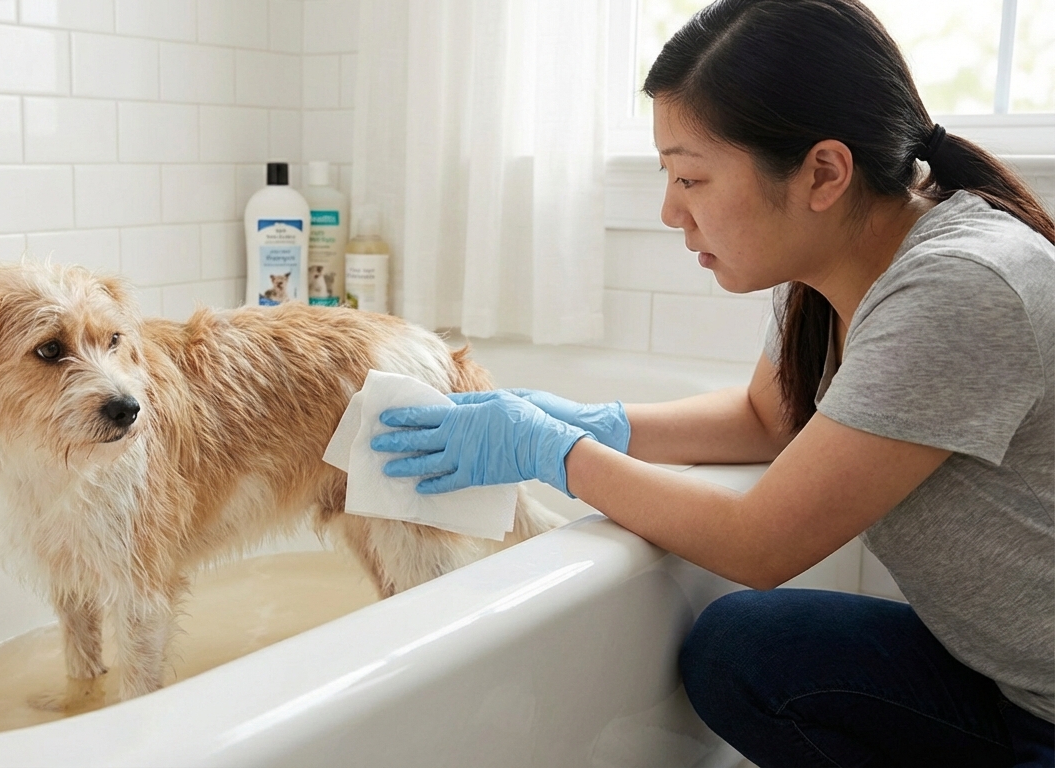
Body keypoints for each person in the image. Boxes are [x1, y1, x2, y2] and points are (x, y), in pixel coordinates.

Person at [369, 0, 1054, 765]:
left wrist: (554, 452)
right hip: (1000, 681)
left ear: (823, 173)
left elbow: (760, 545)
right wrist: (600, 422)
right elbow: (771, 419)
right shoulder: (831, 263)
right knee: (744, 652)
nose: (670, 211)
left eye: (690, 177)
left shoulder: (962, 286)